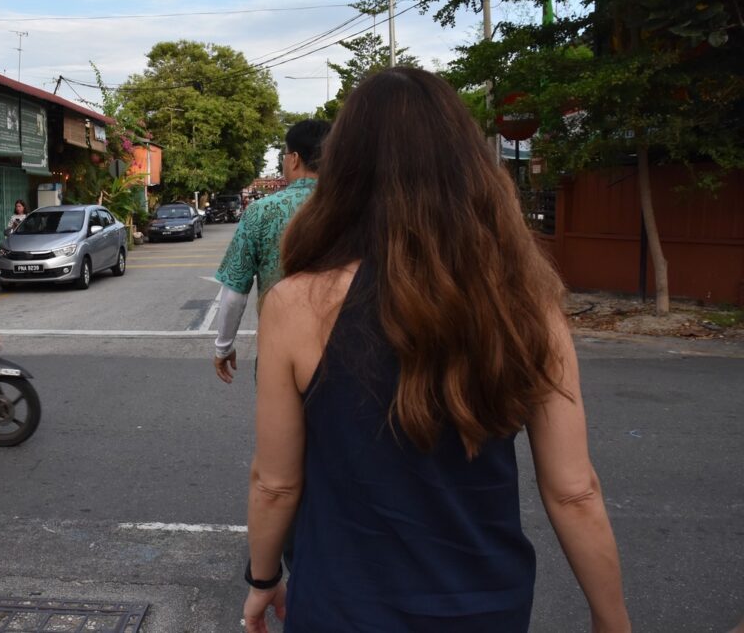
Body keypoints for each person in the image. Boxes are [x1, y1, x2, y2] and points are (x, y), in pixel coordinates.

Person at [242, 68, 631, 632]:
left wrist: (262, 580)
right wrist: (611, 619)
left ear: (345, 170)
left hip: (342, 607)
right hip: (486, 606)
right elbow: (574, 491)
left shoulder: (297, 303)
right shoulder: (525, 302)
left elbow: (275, 482)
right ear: (469, 165)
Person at [213, 119, 331, 384]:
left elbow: (234, 294)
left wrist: (224, 346)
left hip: (280, 348)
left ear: (295, 159)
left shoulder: (261, 211)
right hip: (346, 351)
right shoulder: (355, 208)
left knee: (280, 423)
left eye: (284, 155)